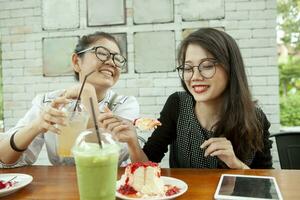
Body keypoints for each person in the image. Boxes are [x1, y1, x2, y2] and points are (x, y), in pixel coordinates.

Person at [99, 28, 273, 169]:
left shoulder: (256, 119)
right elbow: (147, 166)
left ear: (230, 69)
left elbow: (267, 183)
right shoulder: (178, 104)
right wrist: (132, 142)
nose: (195, 76)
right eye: (188, 68)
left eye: (207, 66)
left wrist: (235, 164)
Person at [0, 32, 139, 168]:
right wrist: (37, 125)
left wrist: (88, 95)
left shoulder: (125, 104)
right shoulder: (50, 102)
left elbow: (108, 157)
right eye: (102, 53)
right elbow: (5, 158)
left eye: (117, 58)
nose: (111, 62)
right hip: (60, 187)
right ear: (76, 61)